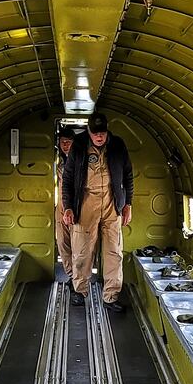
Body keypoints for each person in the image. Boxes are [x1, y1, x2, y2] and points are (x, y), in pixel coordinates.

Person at [61, 113, 133, 311]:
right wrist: (68, 206)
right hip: (86, 201)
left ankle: (111, 296)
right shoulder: (79, 145)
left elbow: (128, 175)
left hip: (112, 202)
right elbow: (67, 179)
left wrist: (128, 204)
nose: (99, 137)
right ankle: (79, 290)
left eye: (102, 133)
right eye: (95, 133)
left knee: (114, 251)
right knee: (82, 250)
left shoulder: (117, 145)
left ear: (107, 131)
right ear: (89, 132)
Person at [52, 125, 76, 284]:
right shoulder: (58, 161)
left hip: (78, 206)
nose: (65, 145)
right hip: (61, 206)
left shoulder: (82, 161)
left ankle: (80, 278)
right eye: (62, 142)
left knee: (80, 245)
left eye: (68, 141)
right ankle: (72, 275)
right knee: (62, 241)